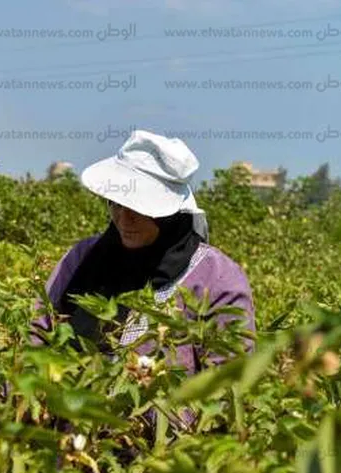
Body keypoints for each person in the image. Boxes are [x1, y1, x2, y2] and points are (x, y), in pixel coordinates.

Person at [30, 130, 256, 430]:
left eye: (137, 209)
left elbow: (228, 387)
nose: (124, 219)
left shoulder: (217, 278)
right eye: (115, 204)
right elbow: (38, 333)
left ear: (168, 214)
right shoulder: (84, 258)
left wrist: (148, 418)